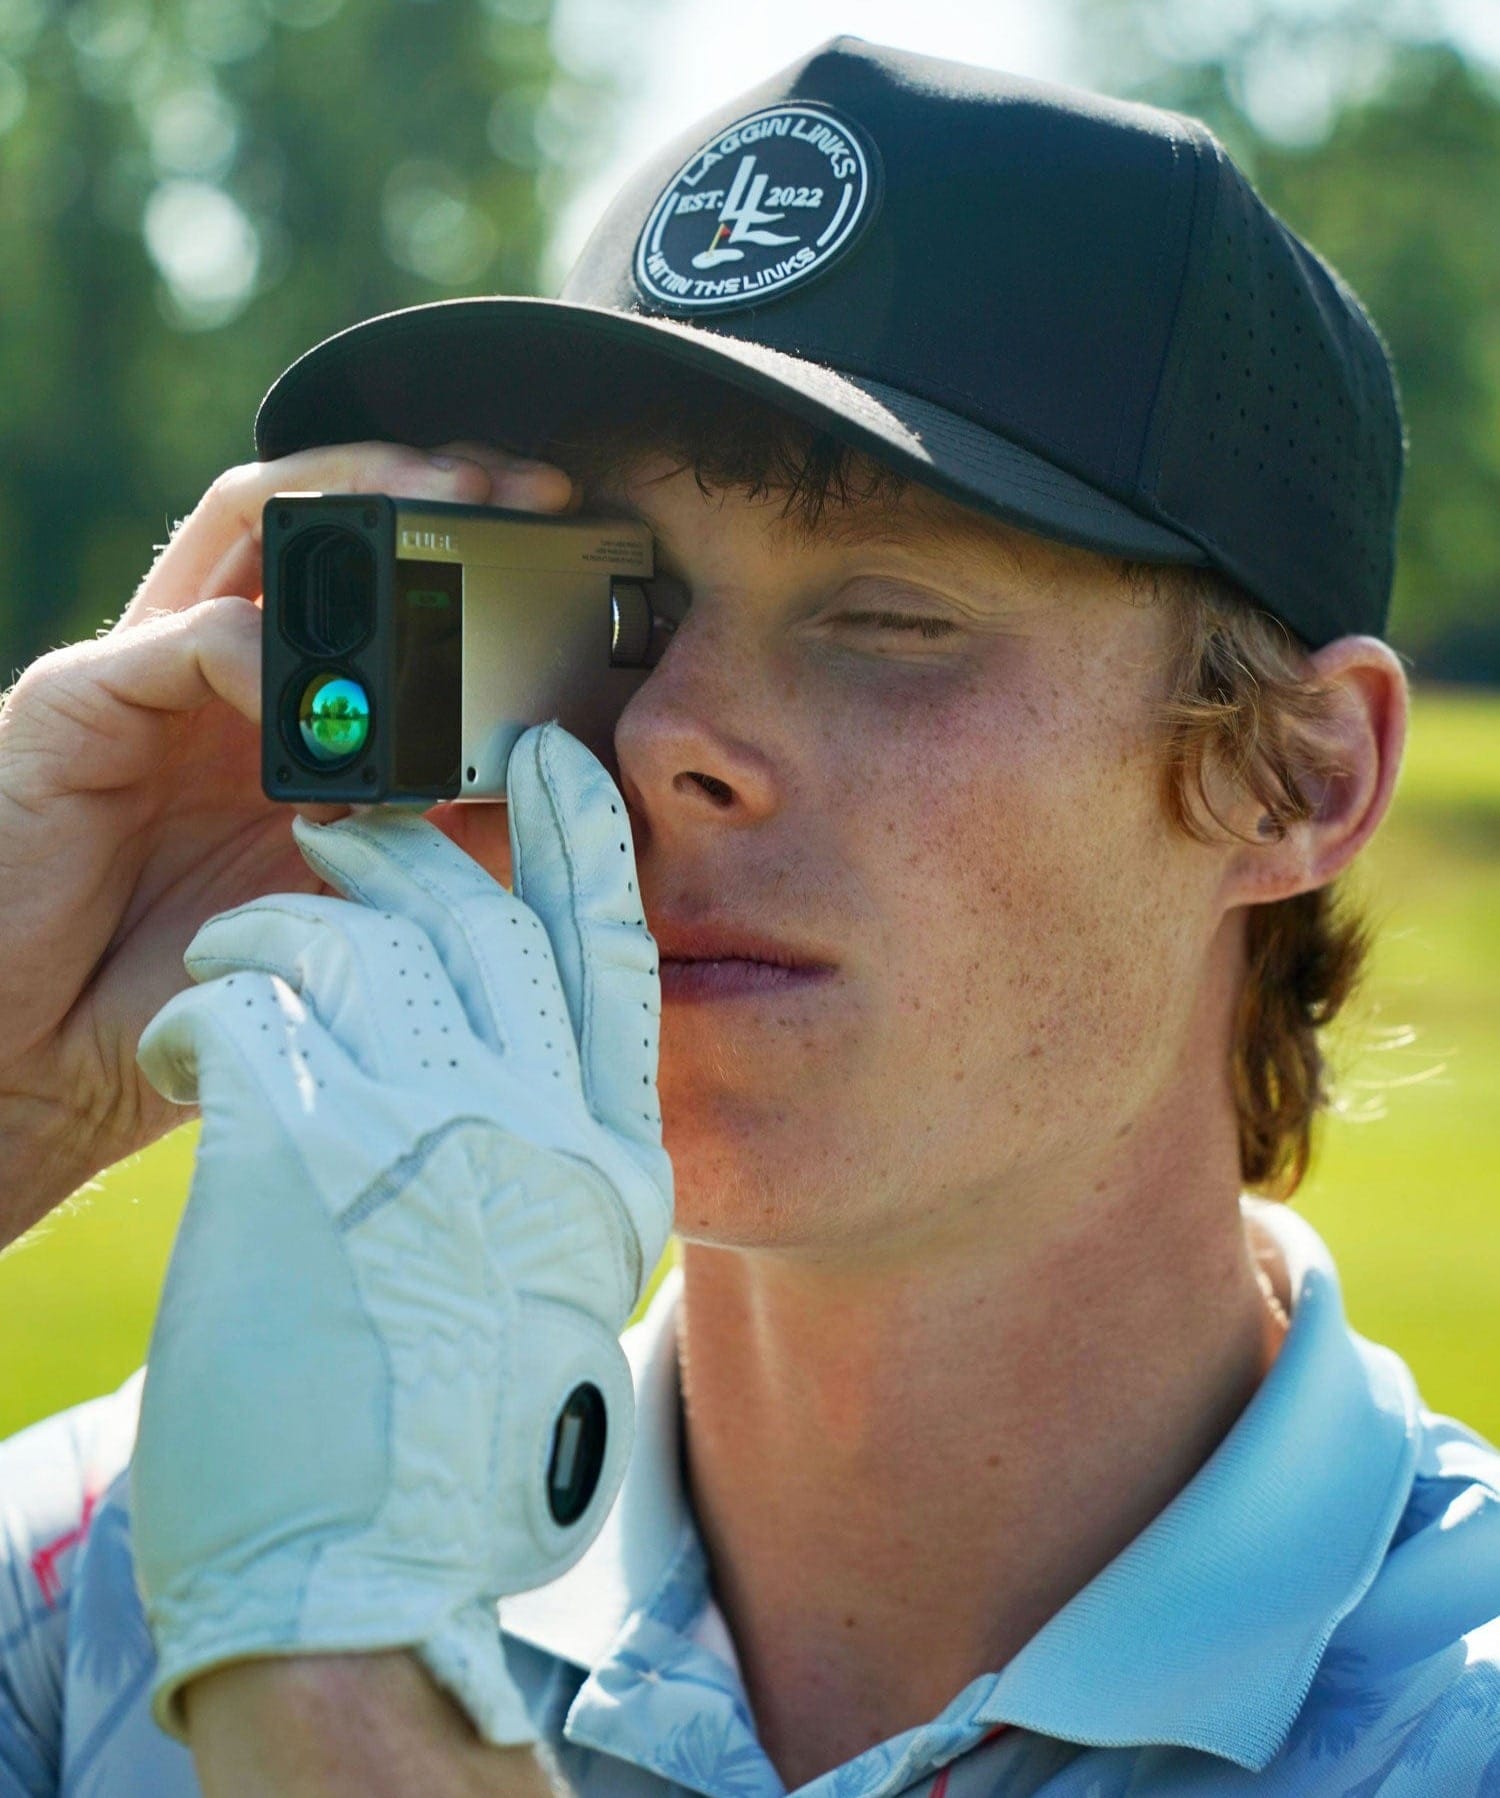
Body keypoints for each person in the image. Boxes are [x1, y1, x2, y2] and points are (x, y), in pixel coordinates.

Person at [1, 34, 1497, 1798]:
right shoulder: (91, 1582)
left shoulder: (259, 1592)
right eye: (614, 605)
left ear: (1300, 777)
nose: (667, 738)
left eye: (886, 614)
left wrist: (344, 1688)